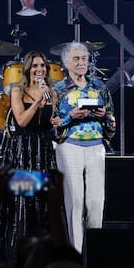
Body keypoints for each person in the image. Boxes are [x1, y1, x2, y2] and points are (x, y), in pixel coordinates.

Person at [0, 51, 60, 268]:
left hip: (43, 150)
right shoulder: (18, 91)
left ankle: (42, 254)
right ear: (28, 69)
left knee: (42, 200)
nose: (39, 70)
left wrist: (55, 119)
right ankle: (16, 255)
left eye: (43, 66)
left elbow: (49, 124)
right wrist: (38, 101)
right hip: (22, 150)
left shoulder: (53, 93)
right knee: (20, 200)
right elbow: (21, 121)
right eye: (35, 66)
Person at [53, 41, 116, 253]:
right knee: (75, 201)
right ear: (65, 62)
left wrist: (104, 115)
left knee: (96, 201)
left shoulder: (99, 86)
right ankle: (76, 252)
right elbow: (50, 124)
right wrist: (70, 117)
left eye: (84, 59)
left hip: (96, 146)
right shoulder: (58, 90)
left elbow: (112, 120)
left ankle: (95, 250)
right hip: (69, 147)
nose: (81, 63)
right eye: (76, 59)